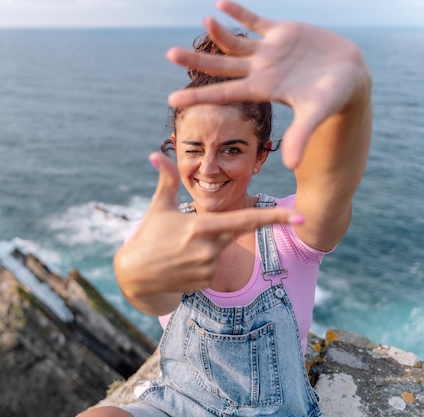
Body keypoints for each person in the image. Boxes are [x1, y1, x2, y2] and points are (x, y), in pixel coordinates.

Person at [79, 1, 371, 416]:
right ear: (174, 151)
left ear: (260, 156)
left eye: (232, 149)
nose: (209, 168)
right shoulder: (162, 232)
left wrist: (351, 97)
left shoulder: (292, 232)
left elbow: (331, 181)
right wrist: (132, 278)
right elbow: (154, 295)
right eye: (193, 149)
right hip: (179, 405)